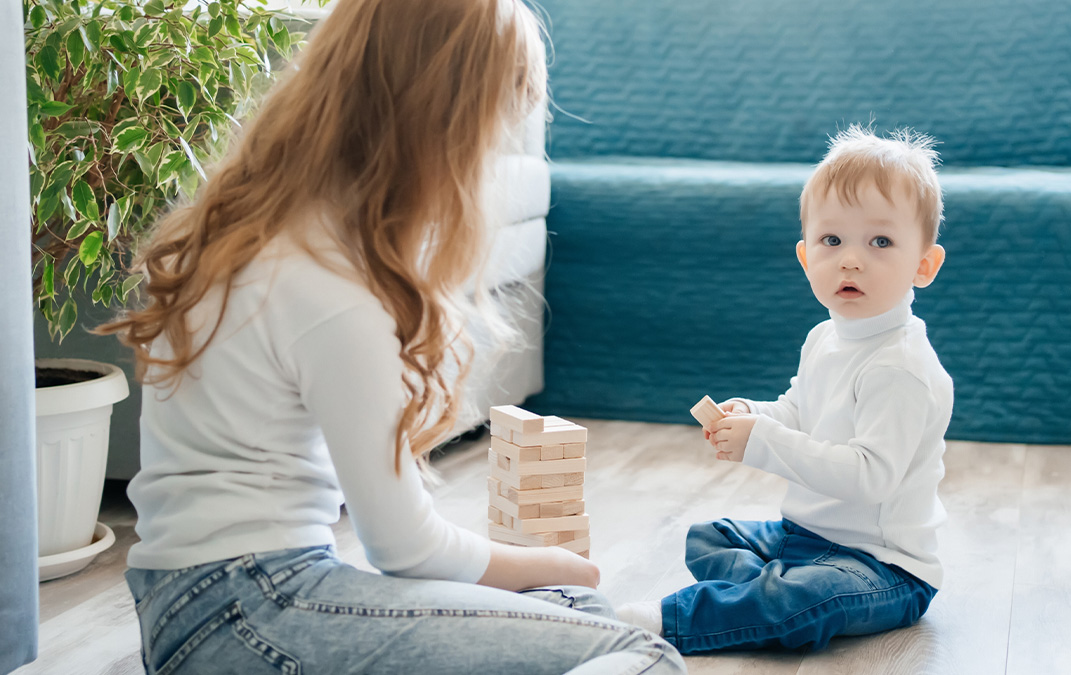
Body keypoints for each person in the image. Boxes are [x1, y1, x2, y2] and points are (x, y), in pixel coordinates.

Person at [98, 1, 685, 672]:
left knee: (572, 610)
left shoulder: (265, 227)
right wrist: (554, 561)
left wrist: (550, 582)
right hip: (252, 607)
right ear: (440, 124)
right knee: (641, 655)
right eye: (491, 130)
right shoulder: (331, 285)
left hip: (195, 602)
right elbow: (404, 546)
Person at [617, 125, 953, 654]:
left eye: (880, 242)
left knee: (812, 596)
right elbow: (799, 412)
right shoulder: (825, 337)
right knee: (710, 535)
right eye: (832, 240)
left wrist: (763, 443)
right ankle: (763, 593)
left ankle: (674, 619)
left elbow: (869, 477)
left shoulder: (900, 368)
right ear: (805, 258)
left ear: (923, 266)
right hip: (803, 538)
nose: (850, 259)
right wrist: (755, 414)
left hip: (879, 566)